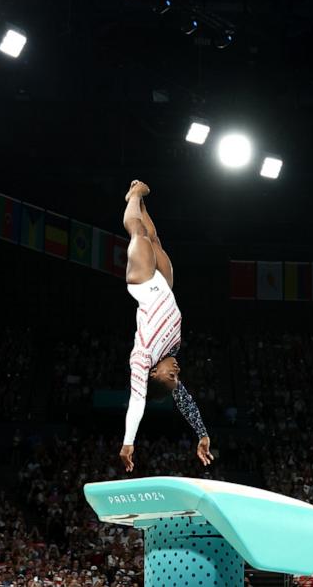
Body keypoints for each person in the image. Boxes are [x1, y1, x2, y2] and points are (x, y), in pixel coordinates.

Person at [118, 180, 213, 472]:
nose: (177, 372)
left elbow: (137, 400)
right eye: (176, 377)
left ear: (154, 373)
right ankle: (142, 203)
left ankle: (133, 195)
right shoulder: (170, 351)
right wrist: (203, 434)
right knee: (155, 239)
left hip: (144, 283)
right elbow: (185, 402)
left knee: (138, 233)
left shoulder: (143, 358)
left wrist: (128, 442)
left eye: (171, 376)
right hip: (165, 286)